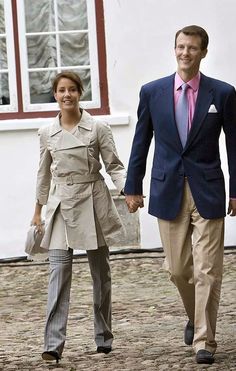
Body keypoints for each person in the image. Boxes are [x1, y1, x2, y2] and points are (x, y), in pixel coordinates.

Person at [124, 25, 236, 365]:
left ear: (203, 52)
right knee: (176, 268)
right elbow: (141, 140)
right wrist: (133, 185)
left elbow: (235, 146)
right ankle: (194, 313)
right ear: (175, 49)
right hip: (167, 187)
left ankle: (204, 340)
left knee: (207, 270)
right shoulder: (153, 92)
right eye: (181, 47)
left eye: (192, 48)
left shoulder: (223, 93)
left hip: (208, 189)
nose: (185, 52)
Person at [31, 71, 126, 363]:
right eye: (61, 90)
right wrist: (37, 210)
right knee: (57, 275)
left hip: (92, 202)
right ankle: (52, 344)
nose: (67, 95)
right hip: (61, 205)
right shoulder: (46, 133)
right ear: (55, 95)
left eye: (72, 89)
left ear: (80, 92)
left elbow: (114, 165)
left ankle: (104, 337)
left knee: (101, 274)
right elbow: (43, 173)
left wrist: (129, 192)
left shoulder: (98, 128)